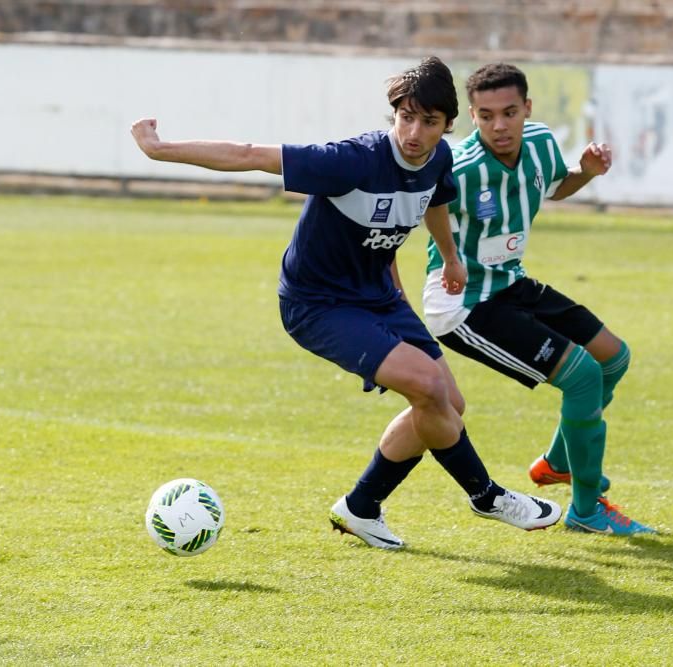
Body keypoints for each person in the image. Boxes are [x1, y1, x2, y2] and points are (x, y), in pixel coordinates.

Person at [130, 56, 561, 550]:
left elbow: (435, 200)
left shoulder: (440, 158)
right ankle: (486, 495)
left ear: (447, 125)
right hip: (317, 304)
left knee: (448, 404)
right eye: (406, 117)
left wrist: (450, 258)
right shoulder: (351, 160)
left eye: (429, 122)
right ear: (394, 113)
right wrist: (160, 149)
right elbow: (249, 154)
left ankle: (361, 507)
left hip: (378, 294)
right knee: (427, 387)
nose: (414, 132)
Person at [420, 63, 654, 536]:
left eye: (509, 112)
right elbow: (428, 205)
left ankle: (558, 462)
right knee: (583, 376)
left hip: (511, 283)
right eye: (486, 116)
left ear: (527, 108)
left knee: (613, 358)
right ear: (472, 116)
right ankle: (587, 511)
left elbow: (553, 185)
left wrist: (584, 173)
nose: (499, 126)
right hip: (465, 303)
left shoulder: (542, 143)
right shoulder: (461, 167)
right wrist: (449, 257)